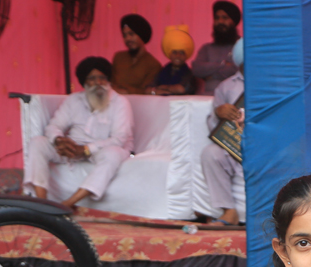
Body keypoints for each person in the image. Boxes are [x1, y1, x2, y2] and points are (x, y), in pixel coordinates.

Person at [25, 57, 133, 211]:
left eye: (102, 78)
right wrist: (59, 140)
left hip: (101, 149)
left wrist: (86, 149)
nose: (98, 83)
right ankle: (42, 203)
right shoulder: (74, 100)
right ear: (84, 82)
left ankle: (68, 204)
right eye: (92, 79)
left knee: (113, 154)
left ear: (108, 80)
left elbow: (119, 139)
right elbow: (54, 126)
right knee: (37, 142)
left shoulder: (120, 102)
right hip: (73, 147)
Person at [201, 39, 245, 225]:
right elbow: (214, 129)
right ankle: (229, 211)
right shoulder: (226, 87)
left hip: (265, 146)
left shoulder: (272, 85)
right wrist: (219, 113)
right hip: (235, 147)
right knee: (210, 153)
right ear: (240, 60)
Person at [193, 1, 241, 96]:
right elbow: (196, 69)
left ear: (234, 22)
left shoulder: (241, 47)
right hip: (206, 98)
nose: (220, 22)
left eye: (225, 18)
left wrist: (210, 74)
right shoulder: (206, 48)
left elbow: (240, 71)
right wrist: (223, 64)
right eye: (217, 18)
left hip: (234, 99)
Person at [111, 14, 162, 95]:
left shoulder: (153, 65)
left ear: (141, 35)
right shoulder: (118, 58)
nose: (128, 38)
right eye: (124, 35)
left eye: (131, 34)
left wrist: (126, 91)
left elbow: (145, 92)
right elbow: (110, 85)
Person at [151, 25, 197, 96]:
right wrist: (156, 92)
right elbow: (148, 89)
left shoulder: (189, 73)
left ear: (186, 55)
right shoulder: (162, 71)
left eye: (181, 52)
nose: (178, 55)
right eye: (174, 52)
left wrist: (162, 88)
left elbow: (181, 89)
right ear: (170, 54)